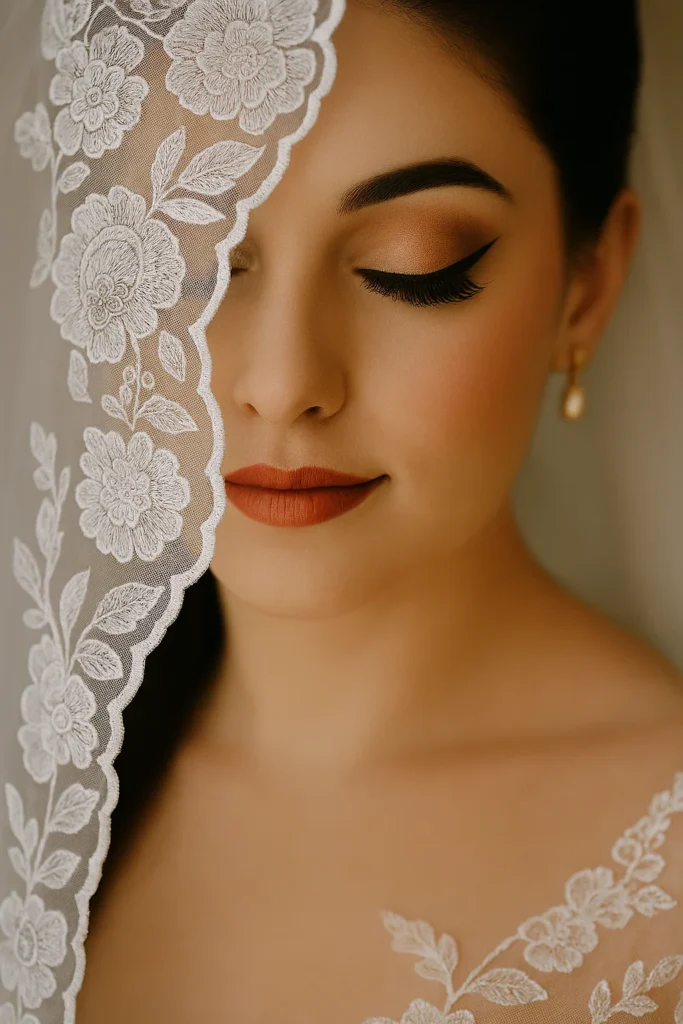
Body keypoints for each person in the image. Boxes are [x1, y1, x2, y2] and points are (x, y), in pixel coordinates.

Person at [1, 1, 683, 1022]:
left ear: (586, 285)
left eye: (411, 267)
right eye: (186, 263)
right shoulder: (36, 784)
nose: (283, 382)